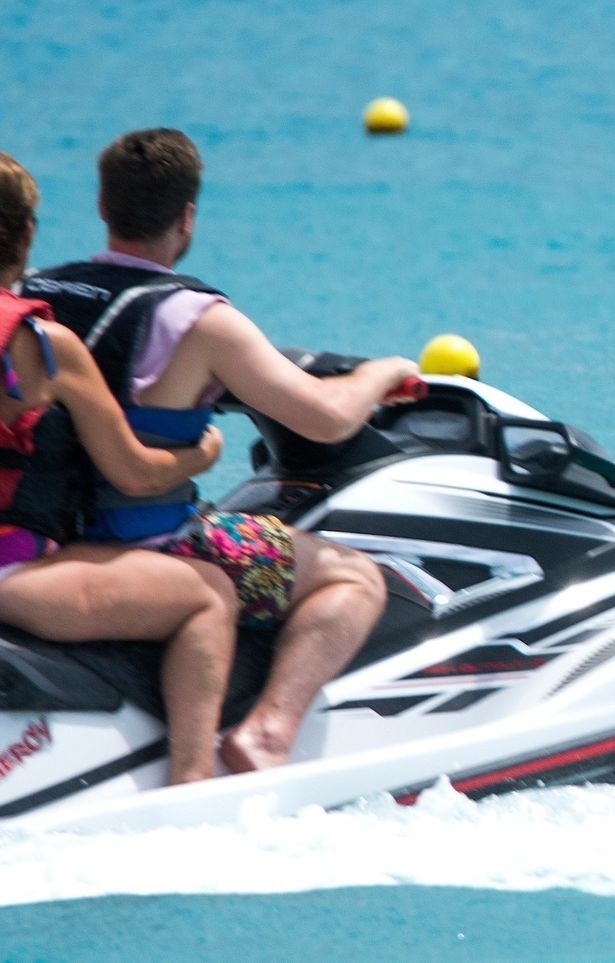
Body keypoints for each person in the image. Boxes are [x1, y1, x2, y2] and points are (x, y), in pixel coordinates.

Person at [21, 128, 420, 771]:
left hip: (43, 535)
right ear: (187, 218)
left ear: (102, 205)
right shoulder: (198, 319)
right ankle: (268, 732)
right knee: (353, 576)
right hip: (154, 545)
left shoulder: (33, 294)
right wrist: (382, 373)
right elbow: (327, 420)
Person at [0, 149, 240, 783]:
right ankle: (193, 784)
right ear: (27, 232)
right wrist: (204, 452)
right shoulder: (41, 344)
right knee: (208, 595)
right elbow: (133, 472)